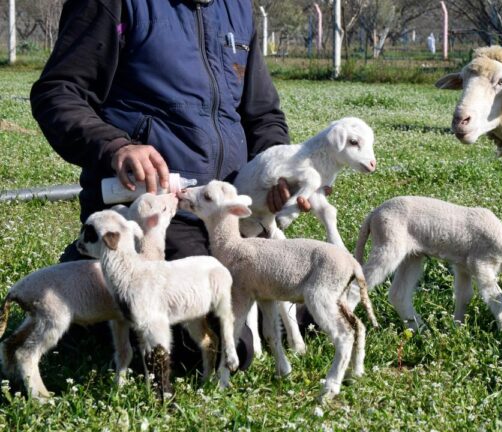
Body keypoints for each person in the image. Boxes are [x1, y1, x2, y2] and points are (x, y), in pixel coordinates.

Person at [30, 0, 304, 372]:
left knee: (320, 297)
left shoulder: (238, 8)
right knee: (216, 347)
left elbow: (263, 114)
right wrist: (117, 147)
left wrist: (280, 169)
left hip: (227, 214)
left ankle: (95, 286)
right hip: (156, 214)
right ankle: (96, 282)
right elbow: (58, 92)